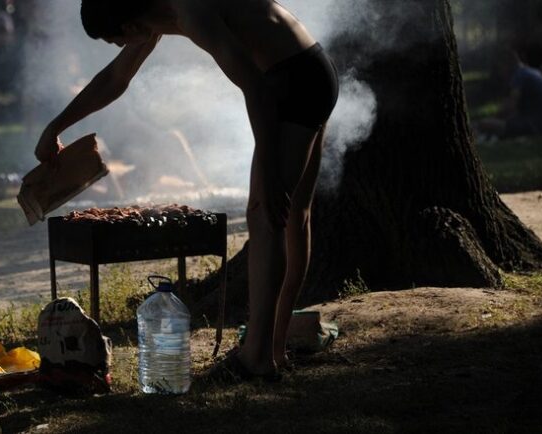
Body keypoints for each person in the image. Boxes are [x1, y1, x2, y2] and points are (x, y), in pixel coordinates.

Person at [34, 0, 339, 380]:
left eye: (115, 40)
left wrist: (272, 172)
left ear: (129, 26)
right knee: (294, 216)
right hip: (309, 69)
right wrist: (56, 127)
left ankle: (257, 357)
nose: (121, 47)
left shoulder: (189, 11)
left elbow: (255, 86)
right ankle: (273, 350)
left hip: (290, 81)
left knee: (267, 213)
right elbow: (115, 79)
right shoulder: (157, 14)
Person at [475, 49, 542, 138]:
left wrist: (492, 119)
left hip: (535, 126)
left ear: (507, 64)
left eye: (500, 67)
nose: (500, 72)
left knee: (483, 124)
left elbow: (510, 107)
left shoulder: (519, 75)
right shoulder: (530, 71)